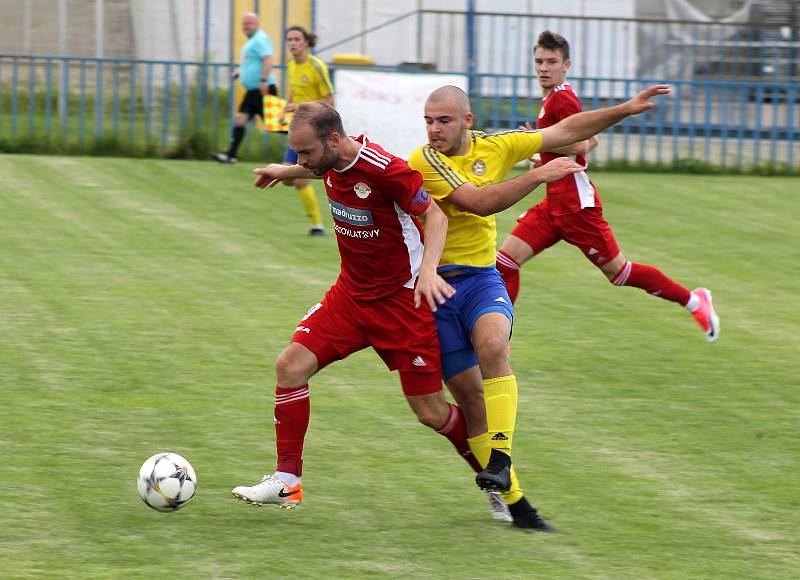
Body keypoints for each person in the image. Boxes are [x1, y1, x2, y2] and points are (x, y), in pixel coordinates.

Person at [407, 82, 671, 530]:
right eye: (429, 120)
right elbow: (475, 202)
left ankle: (502, 459)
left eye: (444, 120)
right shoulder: (425, 160)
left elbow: (565, 129)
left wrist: (624, 109)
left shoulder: (498, 145)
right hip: (436, 290)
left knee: (494, 345)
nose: (434, 129)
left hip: (480, 278)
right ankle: (514, 500)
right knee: (470, 401)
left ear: (467, 121)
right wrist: (535, 177)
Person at [232, 102, 498, 518]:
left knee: (430, 412)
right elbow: (320, 166)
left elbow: (436, 215)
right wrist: (287, 171)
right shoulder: (328, 161)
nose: (300, 160)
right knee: (289, 367)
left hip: (401, 305)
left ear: (334, 140)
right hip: (350, 298)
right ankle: (288, 480)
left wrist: (429, 270)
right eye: (295, 153)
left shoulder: (386, 169)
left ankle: (495, 478)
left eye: (304, 153)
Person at [496, 31, 720, 343]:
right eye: (539, 61)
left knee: (620, 273)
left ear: (566, 65)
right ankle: (497, 343)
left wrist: (530, 146)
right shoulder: (553, 98)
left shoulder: (562, 98)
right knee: (504, 262)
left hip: (577, 208)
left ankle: (695, 301)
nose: (543, 67)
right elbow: (590, 139)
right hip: (554, 204)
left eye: (551, 61)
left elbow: (580, 144)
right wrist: (539, 149)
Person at [279, 25, 335, 236]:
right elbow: (294, 93)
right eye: (289, 39)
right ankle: (318, 225)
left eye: (296, 39)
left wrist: (303, 106)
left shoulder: (316, 66)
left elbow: (330, 100)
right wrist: (287, 107)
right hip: (299, 130)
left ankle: (318, 225)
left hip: (316, 132)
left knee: (292, 175)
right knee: (289, 178)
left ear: (306, 42)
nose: (292, 43)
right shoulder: (291, 66)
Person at [211, 12, 277, 164]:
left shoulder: (261, 39)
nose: (246, 26)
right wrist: (239, 72)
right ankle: (231, 155)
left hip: (263, 89)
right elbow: (250, 63)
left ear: (257, 24)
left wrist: (263, 80)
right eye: (244, 24)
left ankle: (310, 145)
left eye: (249, 23)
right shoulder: (252, 41)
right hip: (252, 91)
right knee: (240, 119)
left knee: (279, 125)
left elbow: (268, 59)